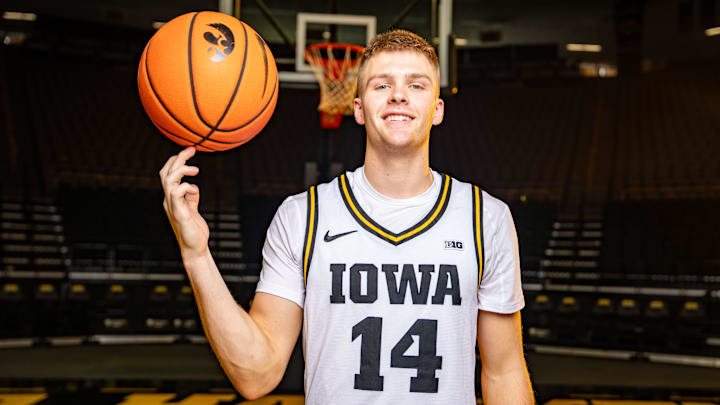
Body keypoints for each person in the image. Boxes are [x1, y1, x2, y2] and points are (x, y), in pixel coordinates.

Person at [159, 29, 533, 404]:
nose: (398, 95)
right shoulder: (302, 217)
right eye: (381, 85)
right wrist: (196, 255)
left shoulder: (486, 219)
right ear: (357, 108)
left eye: (416, 85)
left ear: (437, 110)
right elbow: (257, 373)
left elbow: (504, 372)